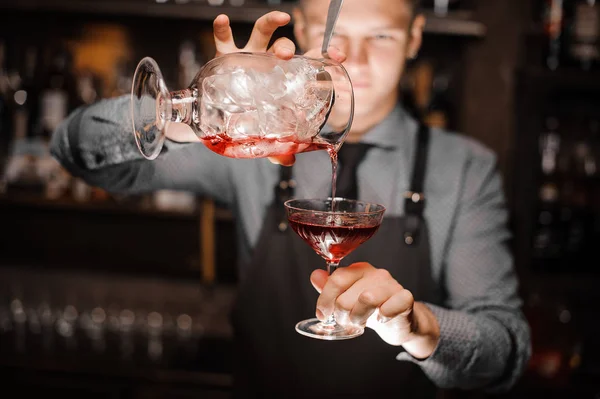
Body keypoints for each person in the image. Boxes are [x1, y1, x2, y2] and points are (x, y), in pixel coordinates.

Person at [50, 0, 531, 397]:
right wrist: (198, 114)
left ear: (415, 37)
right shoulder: (252, 141)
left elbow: (505, 350)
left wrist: (418, 326)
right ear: (301, 29)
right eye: (335, 33)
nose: (356, 58)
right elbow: (75, 150)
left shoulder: (464, 168)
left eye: (381, 36)